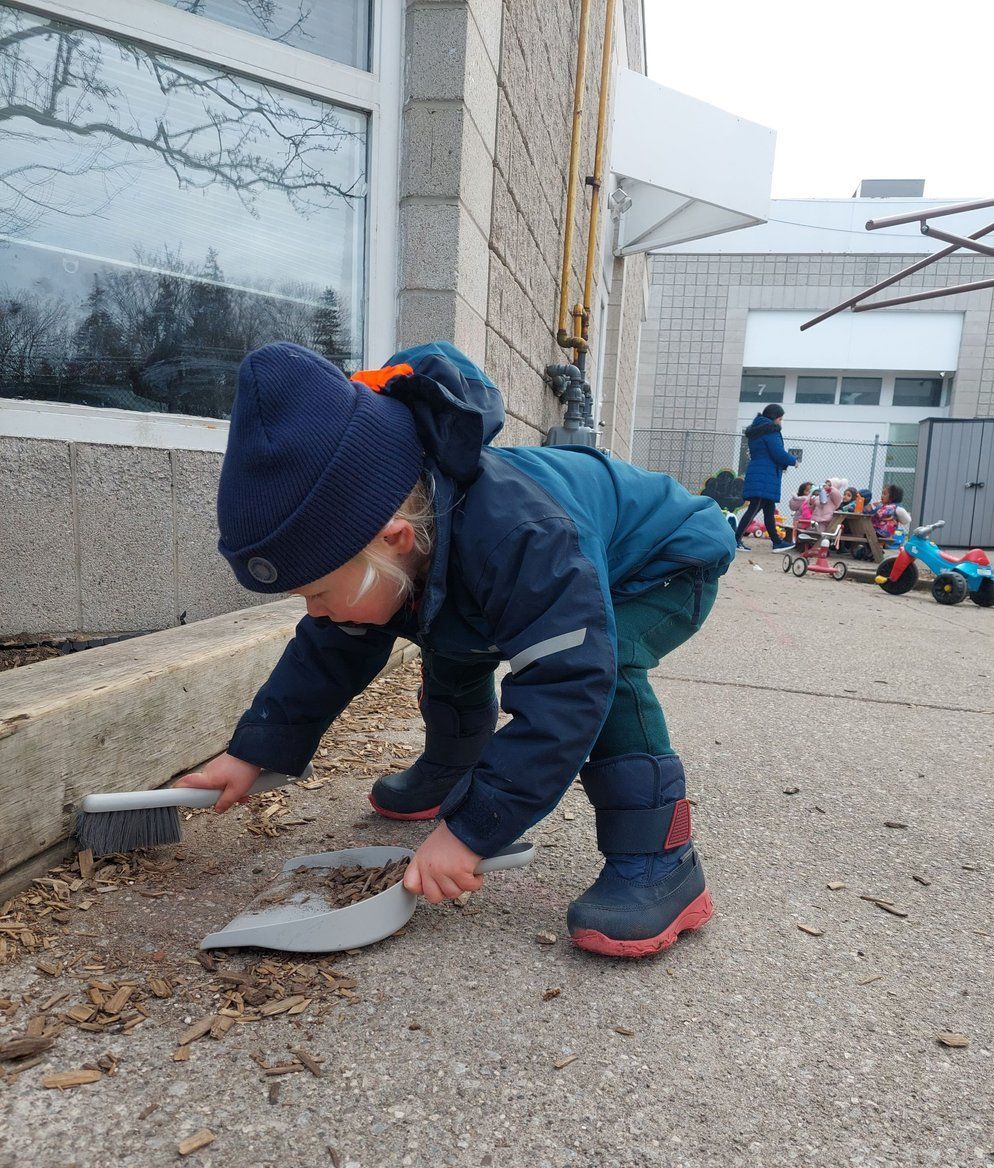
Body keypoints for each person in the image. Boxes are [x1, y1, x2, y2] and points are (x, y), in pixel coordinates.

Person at [176, 342, 736, 958]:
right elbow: (326, 654)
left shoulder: (524, 537)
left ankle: (660, 861)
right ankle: (451, 773)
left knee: (611, 670)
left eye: (317, 592)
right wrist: (253, 753)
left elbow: (566, 689)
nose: (314, 613)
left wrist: (472, 834)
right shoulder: (399, 547)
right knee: (450, 634)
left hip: (660, 563)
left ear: (393, 540)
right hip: (532, 563)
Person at [734, 404, 797, 552]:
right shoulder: (770, 432)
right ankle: (735, 539)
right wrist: (793, 460)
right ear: (774, 417)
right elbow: (778, 453)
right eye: (780, 419)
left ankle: (776, 542)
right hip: (765, 475)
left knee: (769, 509)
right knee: (755, 507)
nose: (780, 422)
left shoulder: (757, 431)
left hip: (759, 472)